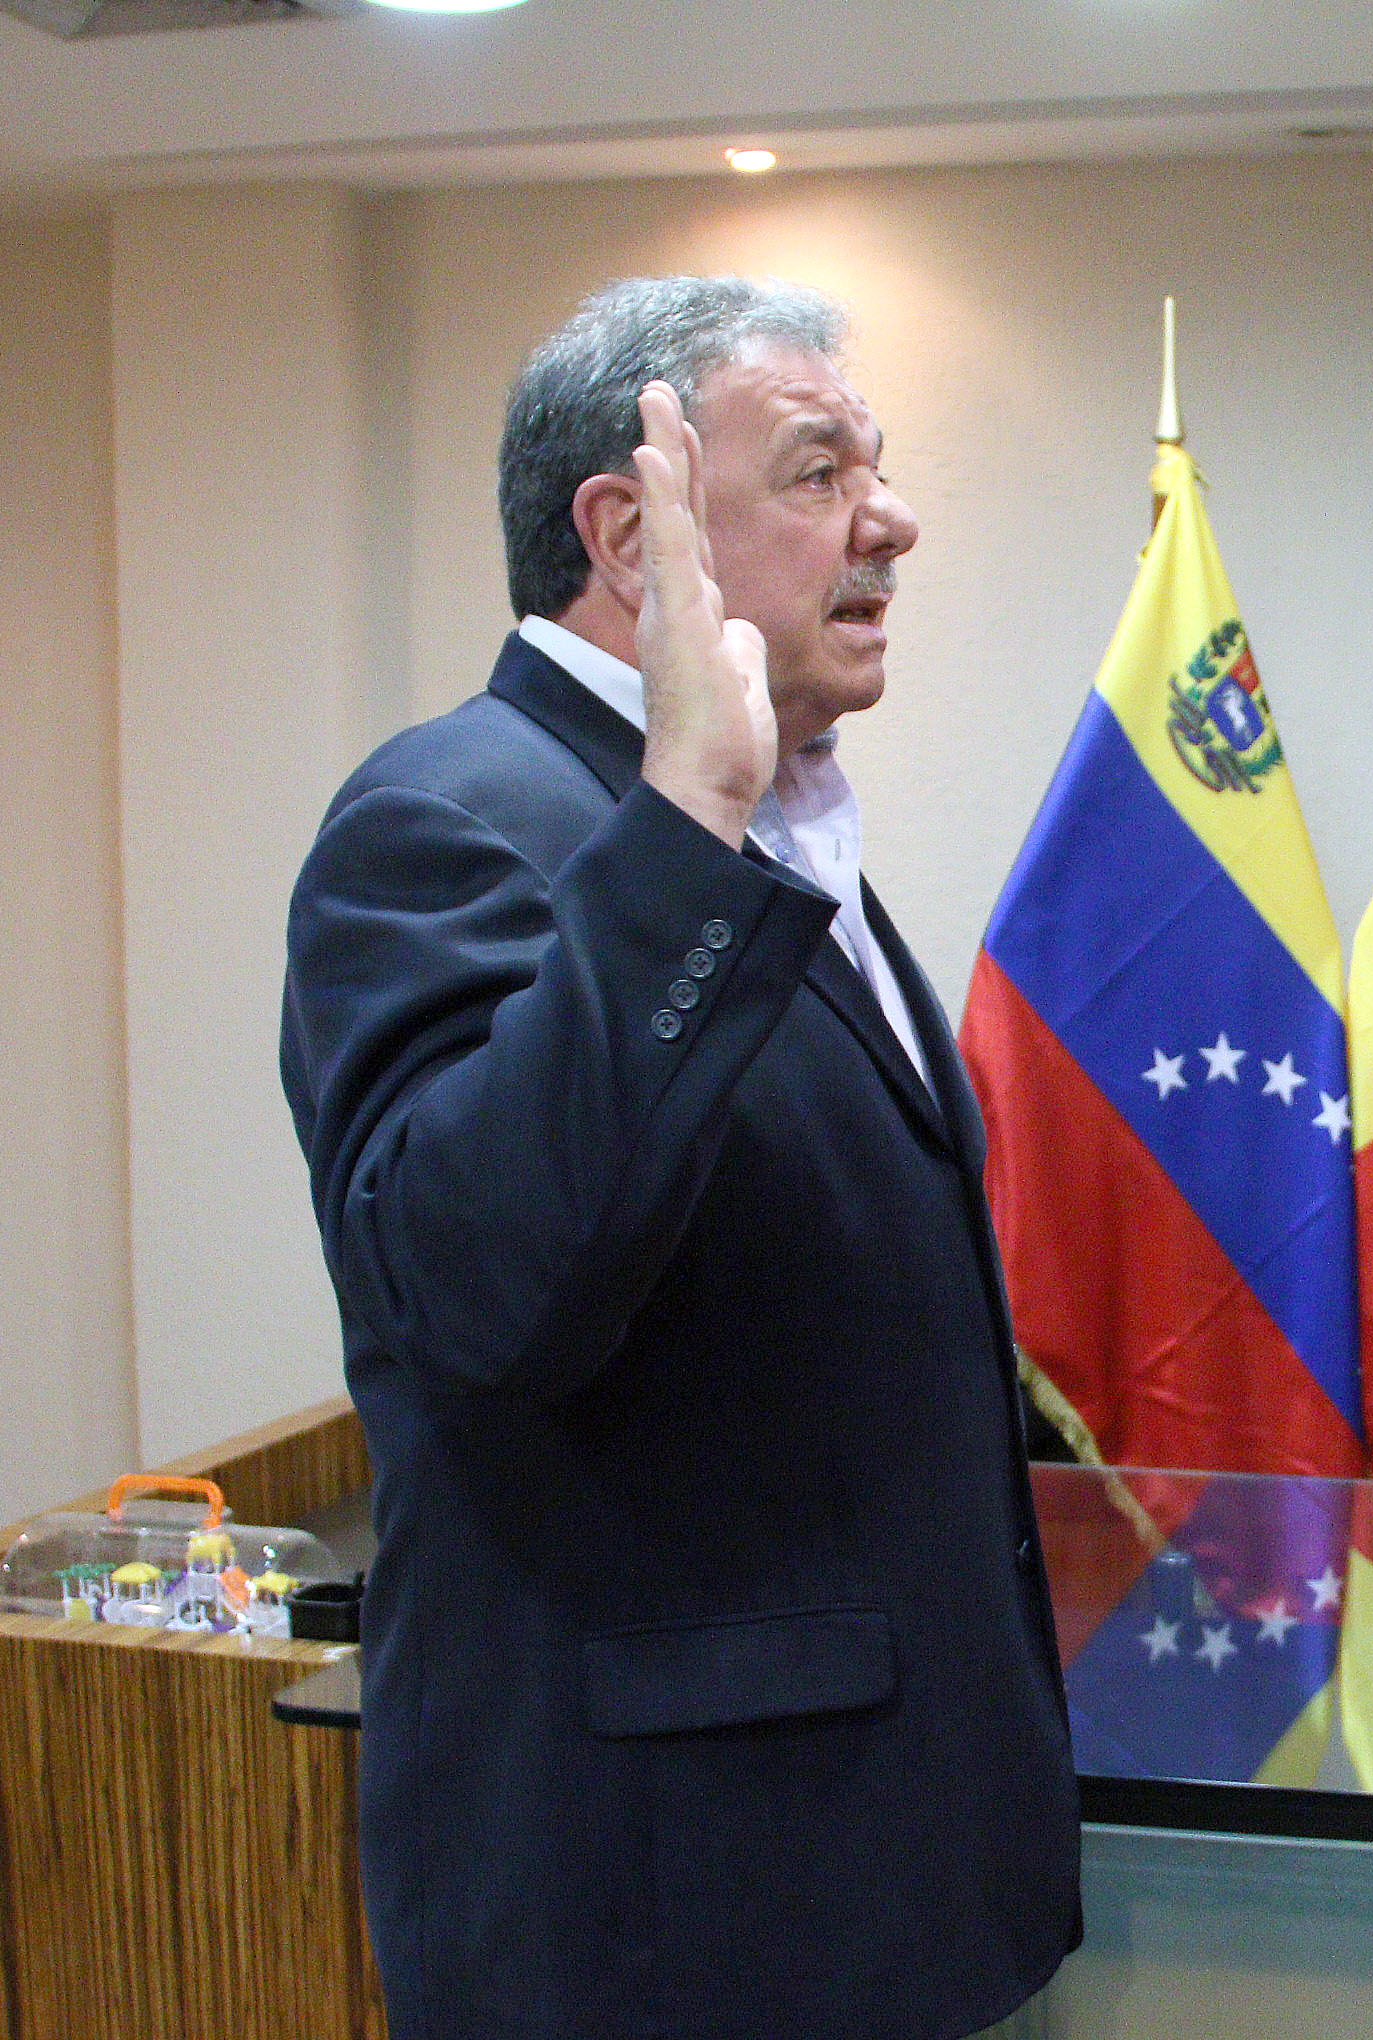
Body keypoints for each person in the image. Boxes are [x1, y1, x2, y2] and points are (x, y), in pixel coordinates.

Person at [280, 278, 1078, 2040]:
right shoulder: (449, 818)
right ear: (631, 535)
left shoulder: (779, 824)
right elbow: (488, 1297)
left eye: (877, 467)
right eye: (819, 472)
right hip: (668, 1924)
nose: (893, 519)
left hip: (881, 1875)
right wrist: (691, 821)